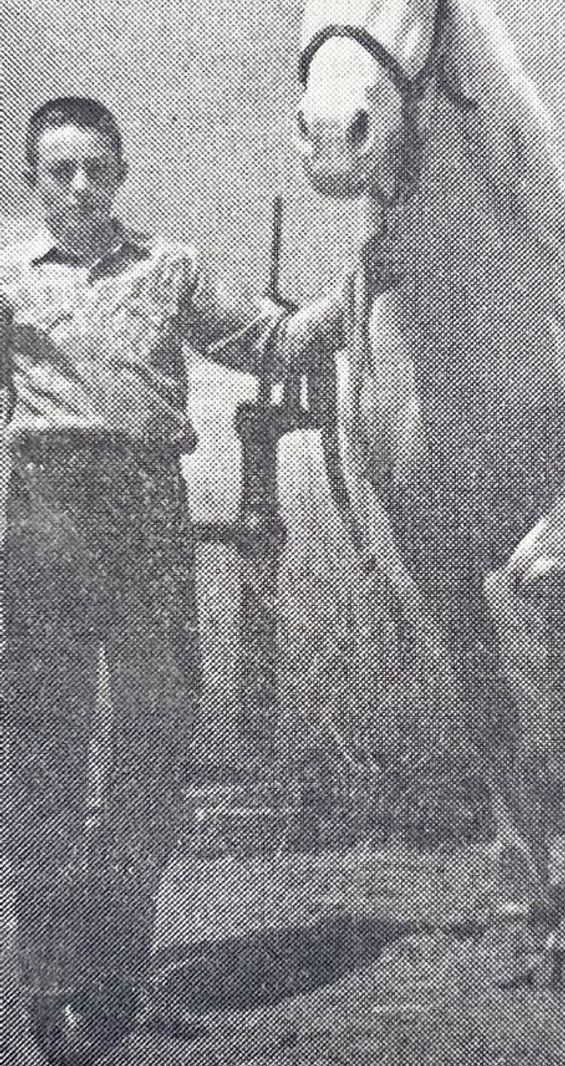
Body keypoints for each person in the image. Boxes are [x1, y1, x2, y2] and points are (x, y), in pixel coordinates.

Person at [0, 97, 344, 1064]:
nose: (80, 189)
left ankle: (117, 971)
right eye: (60, 171)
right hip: (45, 518)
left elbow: (272, 345)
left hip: (148, 513)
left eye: (97, 170)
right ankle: (52, 987)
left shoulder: (172, 269)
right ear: (33, 182)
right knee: (46, 751)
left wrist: (363, 292)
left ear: (120, 175)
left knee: (156, 738)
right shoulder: (7, 279)